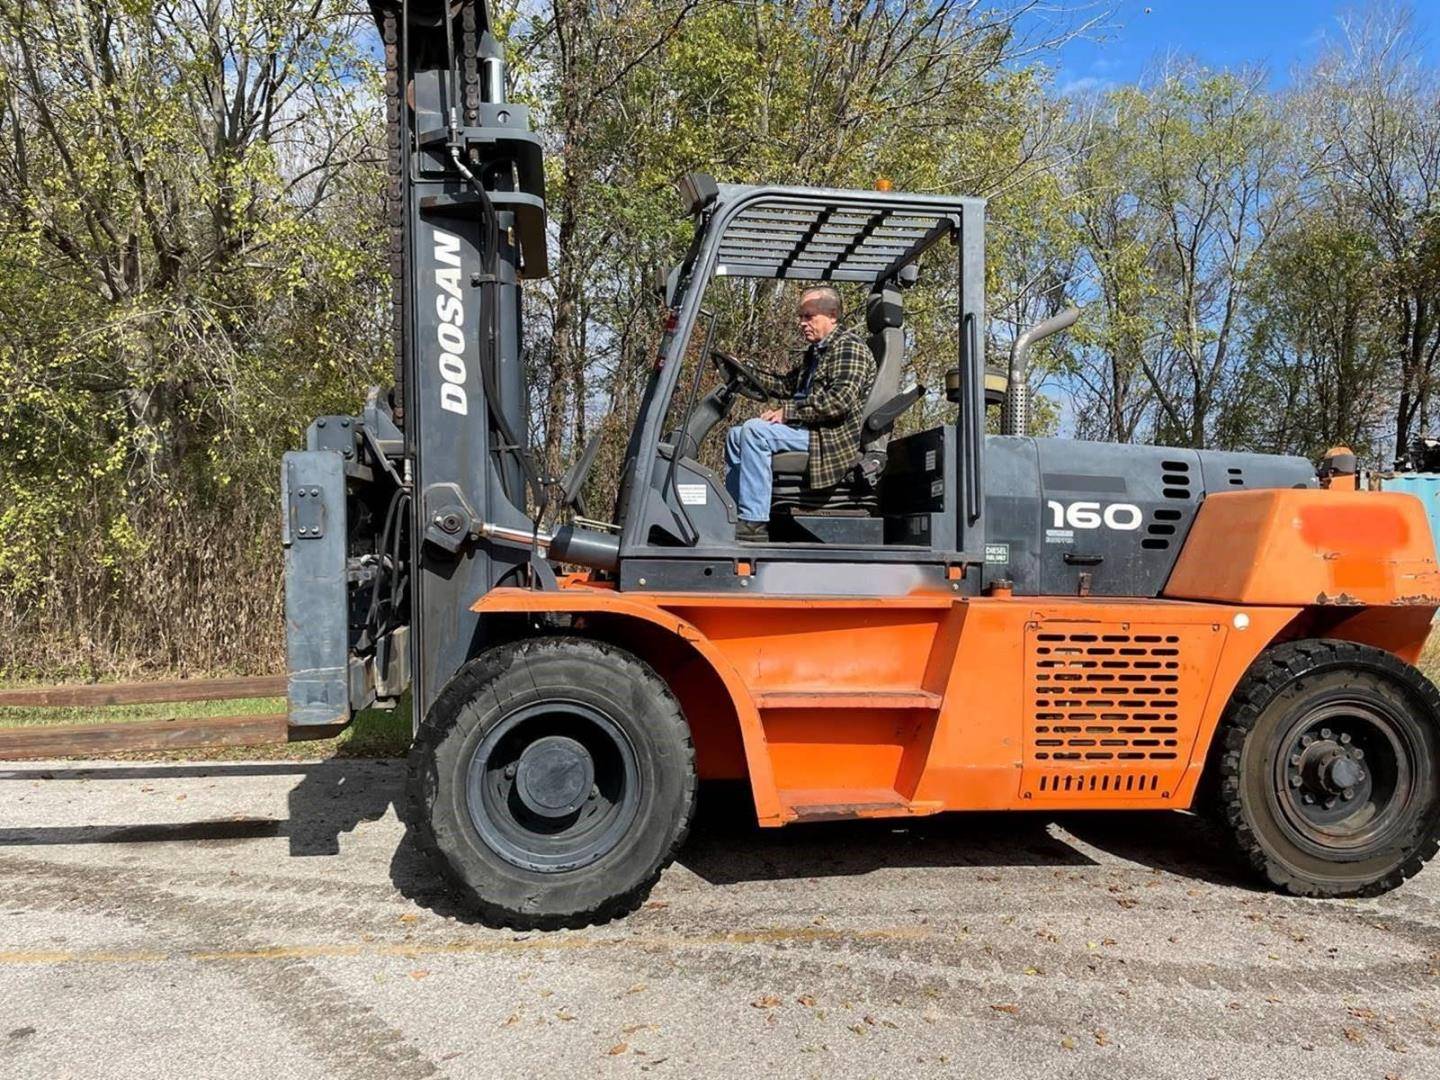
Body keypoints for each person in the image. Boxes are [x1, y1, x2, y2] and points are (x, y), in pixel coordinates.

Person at [723, 286, 875, 542]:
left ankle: (754, 521)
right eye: (801, 316)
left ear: (832, 315)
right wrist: (744, 372)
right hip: (809, 431)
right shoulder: (816, 352)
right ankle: (735, 514)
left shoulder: (849, 348)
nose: (802, 323)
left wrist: (788, 412)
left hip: (830, 437)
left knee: (755, 432)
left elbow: (839, 402)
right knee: (736, 435)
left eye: (809, 316)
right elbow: (785, 385)